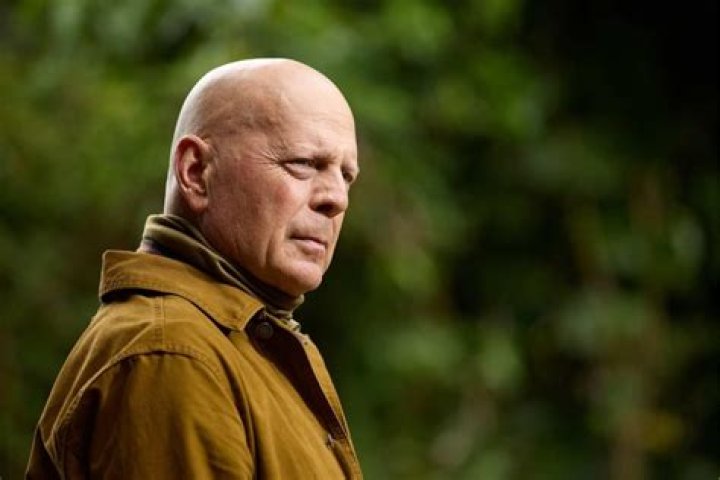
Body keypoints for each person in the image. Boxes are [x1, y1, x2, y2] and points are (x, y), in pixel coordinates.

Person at [26, 58, 362, 479]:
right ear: (196, 172)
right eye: (303, 163)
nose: (336, 198)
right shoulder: (172, 356)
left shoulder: (239, 344)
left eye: (346, 176)